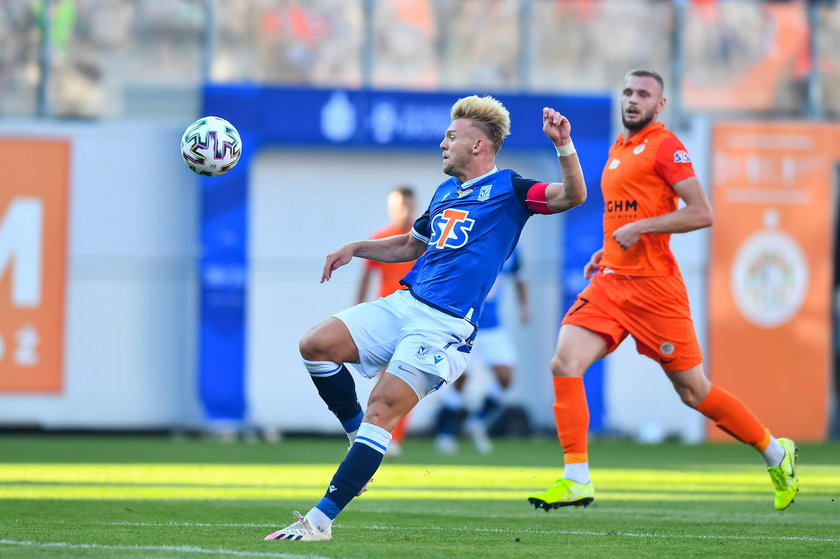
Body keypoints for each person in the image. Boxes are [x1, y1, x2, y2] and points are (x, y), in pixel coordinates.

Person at [264, 94, 587, 542]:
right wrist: (356, 248)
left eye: (451, 136)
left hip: (445, 325)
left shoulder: (511, 190)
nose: (442, 143)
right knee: (314, 345)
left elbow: (573, 195)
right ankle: (357, 433)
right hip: (405, 303)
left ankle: (319, 522)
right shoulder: (446, 192)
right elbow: (410, 247)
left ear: (478, 146)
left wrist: (563, 146)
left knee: (383, 410)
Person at [527, 69, 799, 513]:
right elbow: (625, 212)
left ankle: (775, 452)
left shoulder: (667, 146)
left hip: (656, 291)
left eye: (644, 94)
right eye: (628, 92)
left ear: (660, 105)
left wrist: (642, 228)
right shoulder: (619, 147)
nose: (633, 100)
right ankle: (576, 477)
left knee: (693, 392)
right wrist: (606, 249)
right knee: (564, 360)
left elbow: (701, 212)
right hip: (612, 282)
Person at [435, 246, 528, 455]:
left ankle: (478, 421)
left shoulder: (512, 247)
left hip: (493, 325)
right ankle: (446, 432)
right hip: (465, 323)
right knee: (461, 379)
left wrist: (524, 307)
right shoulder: (477, 239)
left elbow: (520, 277)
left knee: (505, 377)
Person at [356, 185, 419, 456]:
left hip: (418, 317)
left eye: (407, 204)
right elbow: (366, 277)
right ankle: (375, 432)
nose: (403, 210)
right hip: (388, 316)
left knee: (406, 378)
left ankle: (393, 437)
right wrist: (359, 310)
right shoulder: (381, 238)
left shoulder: (425, 237)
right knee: (386, 379)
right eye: (398, 205)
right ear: (391, 207)